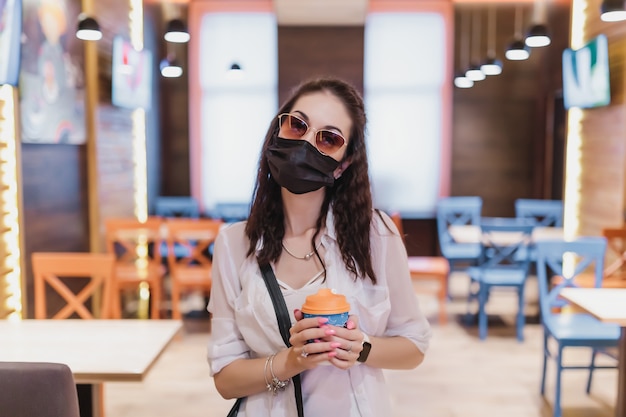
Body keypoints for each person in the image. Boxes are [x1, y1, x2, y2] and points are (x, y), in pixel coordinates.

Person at [207, 77, 432, 417]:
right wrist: (290, 361)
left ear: (343, 164)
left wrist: (362, 348)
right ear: (278, 131)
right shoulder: (234, 243)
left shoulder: (376, 235)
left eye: (328, 138)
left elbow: (414, 346)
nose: (307, 142)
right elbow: (225, 379)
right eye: (298, 125)